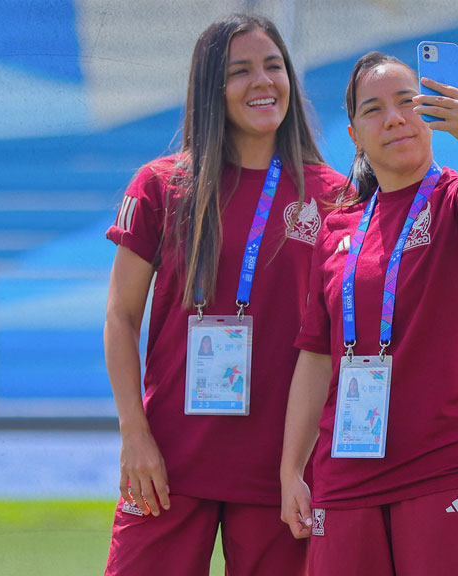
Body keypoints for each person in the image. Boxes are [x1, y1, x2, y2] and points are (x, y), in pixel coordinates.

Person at [103, 14, 347, 576]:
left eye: (273, 66)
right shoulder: (162, 185)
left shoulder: (335, 198)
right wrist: (134, 436)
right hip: (166, 466)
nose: (263, 82)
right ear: (212, 89)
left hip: (282, 475)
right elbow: (121, 316)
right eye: (240, 71)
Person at [280, 51, 458, 575]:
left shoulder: (456, 198)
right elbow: (317, 357)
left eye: (407, 102)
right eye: (373, 110)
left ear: (428, 112)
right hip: (345, 477)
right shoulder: (338, 227)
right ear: (355, 135)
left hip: (445, 468)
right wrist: (292, 467)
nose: (393, 117)